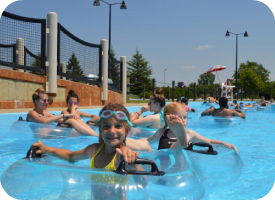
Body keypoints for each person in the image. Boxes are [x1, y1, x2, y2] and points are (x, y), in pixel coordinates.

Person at [31, 103, 143, 199]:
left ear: (127, 131)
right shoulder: (94, 150)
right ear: (100, 130)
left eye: (118, 126)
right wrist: (47, 149)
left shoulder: (122, 157)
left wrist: (132, 163)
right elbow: (71, 156)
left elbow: (144, 181)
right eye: (106, 126)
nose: (112, 131)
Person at [129, 102, 237, 152]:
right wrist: (138, 142)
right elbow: (148, 141)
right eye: (178, 118)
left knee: (178, 147)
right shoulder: (162, 132)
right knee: (147, 147)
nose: (183, 120)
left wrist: (224, 143)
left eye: (184, 117)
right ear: (168, 119)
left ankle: (181, 141)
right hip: (166, 165)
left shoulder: (190, 133)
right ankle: (126, 141)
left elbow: (208, 141)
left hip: (181, 166)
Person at [27, 88, 98, 136]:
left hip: (52, 136)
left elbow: (60, 120)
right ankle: (96, 136)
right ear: (36, 101)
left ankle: (95, 134)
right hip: (45, 138)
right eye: (44, 100)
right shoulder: (32, 113)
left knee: (71, 120)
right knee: (71, 121)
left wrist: (71, 117)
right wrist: (63, 115)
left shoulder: (45, 112)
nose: (47, 102)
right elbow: (44, 122)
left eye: (48, 100)